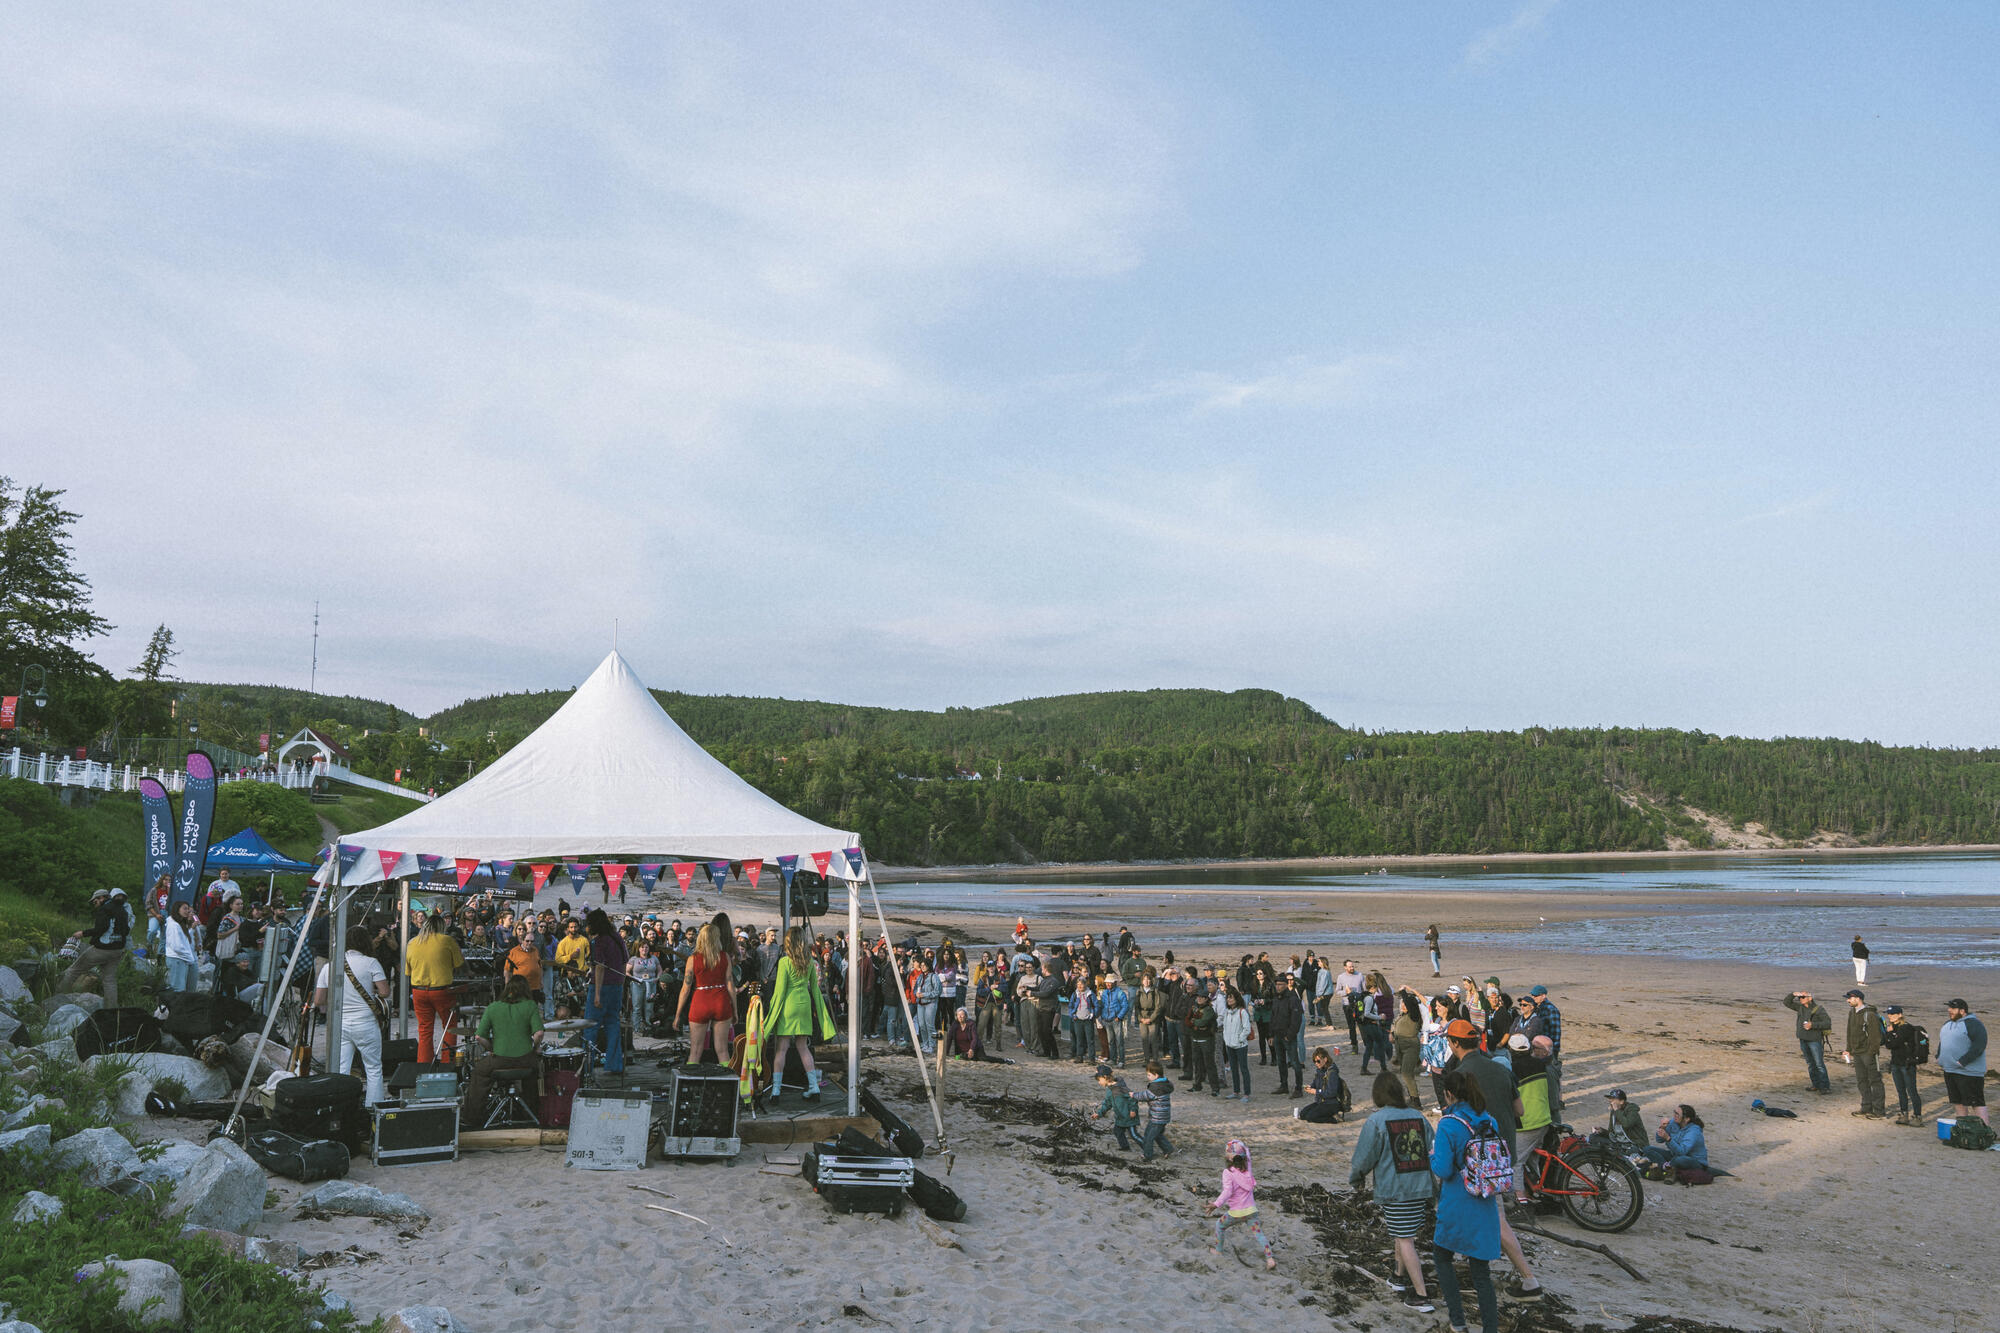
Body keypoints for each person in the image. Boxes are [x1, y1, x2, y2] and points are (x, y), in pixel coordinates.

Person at [1348, 1071, 1438, 1314]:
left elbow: (1364, 1158)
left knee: (1405, 1239)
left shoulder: (1377, 1121)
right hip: (1420, 1186)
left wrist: (1356, 1179)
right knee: (1403, 1234)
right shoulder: (1417, 1117)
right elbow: (1433, 1147)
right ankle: (1398, 1277)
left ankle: (1421, 1295)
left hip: (1396, 1188)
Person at [1430, 1068, 1503, 1333]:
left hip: (1457, 1202)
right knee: (1481, 1273)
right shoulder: (1489, 1120)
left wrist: (1430, 1157)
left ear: (1448, 1093)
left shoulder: (1448, 1124)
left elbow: (1443, 1170)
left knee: (1441, 1255)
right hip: (1484, 1201)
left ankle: (1458, 1321)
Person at [315, 925, 391, 1105]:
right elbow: (385, 992)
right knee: (373, 1068)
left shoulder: (330, 966)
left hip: (340, 1023)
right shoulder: (371, 963)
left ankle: (342, 1108)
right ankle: (373, 1108)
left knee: (342, 1069)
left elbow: (319, 1000)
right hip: (366, 1022)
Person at [463, 975, 546, 1125]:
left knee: (479, 1072)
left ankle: (473, 1117)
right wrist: (535, 1048)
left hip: (499, 1061)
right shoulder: (530, 1005)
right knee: (534, 1072)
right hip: (525, 1061)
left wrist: (492, 1049)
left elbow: (479, 1037)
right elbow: (539, 1033)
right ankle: (530, 1114)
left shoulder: (493, 1007)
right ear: (526, 990)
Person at [768, 927, 834, 1102]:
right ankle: (814, 1087)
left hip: (788, 1005)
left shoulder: (784, 962)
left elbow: (780, 991)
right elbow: (815, 988)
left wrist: (772, 1013)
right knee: (803, 1047)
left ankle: (776, 1091)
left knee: (781, 1048)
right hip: (804, 1005)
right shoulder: (810, 962)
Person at [405, 912, 465, 1066]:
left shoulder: (412, 942)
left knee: (424, 1029)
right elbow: (459, 964)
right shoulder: (447, 940)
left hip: (418, 990)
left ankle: (424, 1065)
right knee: (450, 1026)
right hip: (441, 990)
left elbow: (408, 971)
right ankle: (447, 1064)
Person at [1206, 1138, 1276, 1271]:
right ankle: (1270, 1259)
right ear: (1244, 1159)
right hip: (1251, 1211)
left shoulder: (1228, 1173)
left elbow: (1227, 1191)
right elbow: (1248, 1157)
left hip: (1236, 1213)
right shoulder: (1248, 1172)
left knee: (1220, 1225)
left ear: (1229, 1158)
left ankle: (1218, 1250)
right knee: (1259, 1234)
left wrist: (1216, 1204)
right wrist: (1241, 1144)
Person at [676, 922, 737, 1065]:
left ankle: (690, 1083)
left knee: (696, 1051)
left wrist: (678, 1015)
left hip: (700, 1001)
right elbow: (730, 984)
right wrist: (735, 1009)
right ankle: (729, 1084)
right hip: (721, 1001)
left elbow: (686, 988)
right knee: (722, 1051)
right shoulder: (724, 957)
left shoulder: (693, 959)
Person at [59, 887, 131, 1006]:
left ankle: (58, 997)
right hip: (118, 950)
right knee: (109, 980)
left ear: (102, 898)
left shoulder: (105, 909)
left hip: (102, 949)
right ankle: (111, 1010)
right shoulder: (122, 910)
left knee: (73, 971)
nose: (94, 904)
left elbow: (100, 929)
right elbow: (127, 930)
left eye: (95, 901)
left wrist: (82, 933)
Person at [1938, 998, 1989, 1127]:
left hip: (1969, 1072)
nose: (1950, 1010)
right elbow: (1942, 1043)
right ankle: (1963, 1129)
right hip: (1950, 1070)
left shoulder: (1974, 1024)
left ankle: (1985, 1131)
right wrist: (1939, 1058)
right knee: (1957, 1101)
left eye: (1953, 1008)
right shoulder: (1947, 1024)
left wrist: (1963, 1062)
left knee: (1976, 1102)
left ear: (1963, 1011)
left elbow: (1979, 1045)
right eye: (1949, 1008)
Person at [1840, 988, 1887, 1119]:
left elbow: (1875, 1037)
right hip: (1857, 1053)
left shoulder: (1870, 1014)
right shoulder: (1852, 1012)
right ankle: (1866, 1107)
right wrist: (1848, 1049)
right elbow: (1849, 1032)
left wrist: (1872, 1052)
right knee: (1862, 1081)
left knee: (1875, 1081)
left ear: (1858, 999)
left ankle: (1879, 1111)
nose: (1847, 1000)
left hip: (1868, 1053)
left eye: (1849, 998)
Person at [1881, 1006, 1927, 1125]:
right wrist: (1890, 1034)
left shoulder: (1906, 1028)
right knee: (1901, 1090)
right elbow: (1888, 1044)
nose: (1890, 1016)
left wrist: (1889, 1033)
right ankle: (1904, 1114)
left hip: (1907, 1064)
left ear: (1900, 1014)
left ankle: (1917, 1116)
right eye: (1889, 1014)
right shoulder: (1894, 1027)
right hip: (1896, 1063)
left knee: (1912, 1091)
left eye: (1893, 1014)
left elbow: (1893, 1043)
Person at [1783, 989, 1835, 1094]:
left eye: (1803, 997)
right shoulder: (1800, 1007)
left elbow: (1827, 1023)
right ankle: (1815, 1084)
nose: (1800, 999)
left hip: (1814, 1040)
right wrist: (1793, 994)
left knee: (1819, 1064)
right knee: (1810, 1064)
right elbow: (1786, 1002)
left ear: (1810, 998)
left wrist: (1813, 1025)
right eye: (1799, 997)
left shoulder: (1819, 1009)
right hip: (1803, 1039)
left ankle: (1825, 1087)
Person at [1131, 1059, 1176, 1161]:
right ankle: (1168, 1149)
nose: (1147, 1077)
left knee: (1148, 1136)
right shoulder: (1164, 1084)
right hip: (1163, 1116)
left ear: (1155, 1075)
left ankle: (1147, 1155)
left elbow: (1145, 1095)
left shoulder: (1157, 1087)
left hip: (1157, 1118)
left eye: (1149, 1075)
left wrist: (1134, 1095)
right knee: (1158, 1134)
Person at [1641, 1104, 1709, 1172]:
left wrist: (1668, 1139)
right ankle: (1666, 1167)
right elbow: (1659, 1140)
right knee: (1647, 1149)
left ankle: (1666, 1167)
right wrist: (1662, 1128)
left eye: (1677, 1114)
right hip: (1675, 1155)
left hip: (1694, 1161)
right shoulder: (1674, 1122)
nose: (1674, 1115)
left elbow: (1682, 1152)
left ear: (1686, 1119)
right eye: (1674, 1112)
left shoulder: (1693, 1131)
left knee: (1678, 1160)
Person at [1270, 972, 1306, 1096]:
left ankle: (1298, 1088)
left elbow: (1296, 1020)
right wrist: (1271, 1035)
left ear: (1286, 985)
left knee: (1295, 1063)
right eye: (1277, 985)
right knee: (1281, 1062)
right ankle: (1283, 1085)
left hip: (1288, 1036)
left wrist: (1290, 1035)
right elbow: (1273, 1017)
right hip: (1278, 1035)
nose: (1278, 987)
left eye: (1281, 984)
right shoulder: (1276, 999)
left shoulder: (1293, 999)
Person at [1090, 1064, 1139, 1150]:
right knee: (1117, 1131)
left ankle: (1147, 1148)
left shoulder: (1120, 1087)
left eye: (1099, 1080)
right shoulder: (1109, 1089)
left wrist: (1133, 1110)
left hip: (1129, 1116)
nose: (1099, 1082)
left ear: (1105, 1077)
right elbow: (1107, 1104)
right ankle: (1125, 1147)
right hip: (1120, 1117)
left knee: (1134, 1135)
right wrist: (1099, 1114)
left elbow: (1133, 1098)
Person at [1220, 986, 1256, 1103]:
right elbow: (1224, 1026)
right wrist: (1227, 1039)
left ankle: (1246, 1093)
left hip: (1240, 1046)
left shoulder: (1242, 1012)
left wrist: (1240, 1039)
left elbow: (1246, 1029)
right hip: (1229, 1045)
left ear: (1237, 999)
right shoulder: (1227, 1012)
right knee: (1234, 1069)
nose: (1229, 1000)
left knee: (1243, 1069)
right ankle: (1236, 1091)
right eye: (1228, 998)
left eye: (1231, 998)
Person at [1295, 1047, 1347, 1123]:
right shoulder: (1320, 1070)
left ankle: (1334, 1119)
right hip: (1321, 1101)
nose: (1316, 1063)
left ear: (1325, 1059)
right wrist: (1310, 1087)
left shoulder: (1332, 1073)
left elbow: (1331, 1092)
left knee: (1311, 1117)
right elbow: (1315, 1083)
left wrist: (1316, 1091)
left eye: (1318, 1061)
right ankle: (1330, 1115)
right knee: (1303, 1114)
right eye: (1314, 1061)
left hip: (1331, 1103)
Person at [505, 926, 548, 1018]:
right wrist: (508, 984)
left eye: (532, 941)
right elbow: (507, 970)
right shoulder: (514, 951)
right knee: (520, 1009)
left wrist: (541, 982)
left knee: (532, 1010)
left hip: (535, 986)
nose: (529, 943)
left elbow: (539, 966)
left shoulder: (535, 950)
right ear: (522, 941)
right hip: (520, 987)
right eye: (527, 941)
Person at [164, 900, 202, 993]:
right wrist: (190, 958)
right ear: (177, 909)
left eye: (188, 909)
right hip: (177, 959)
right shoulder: (173, 925)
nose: (187, 911)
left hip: (185, 958)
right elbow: (177, 946)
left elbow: (185, 941)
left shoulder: (181, 923)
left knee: (188, 990)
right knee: (178, 990)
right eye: (185, 909)